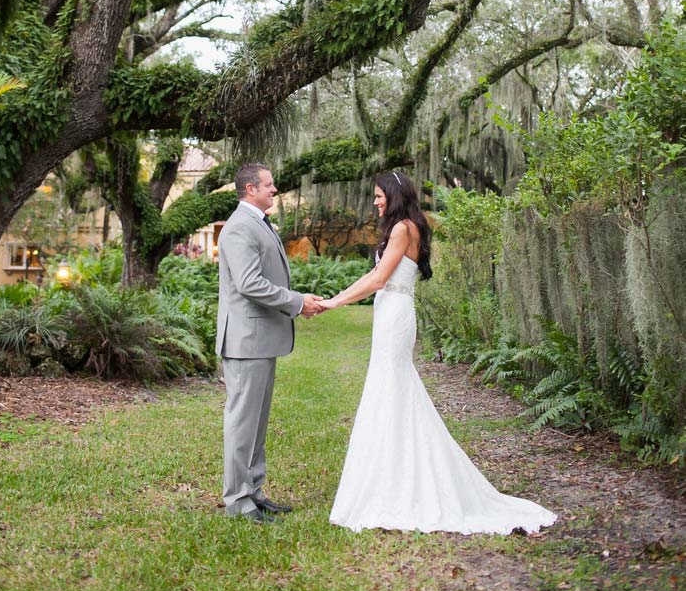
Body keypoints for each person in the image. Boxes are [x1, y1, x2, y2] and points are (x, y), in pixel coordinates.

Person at [322, 171, 557, 534]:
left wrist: (333, 302)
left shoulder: (402, 229)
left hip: (395, 313)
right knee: (393, 390)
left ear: (395, 194)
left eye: (379, 195)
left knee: (391, 387)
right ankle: (393, 471)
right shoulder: (407, 226)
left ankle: (396, 481)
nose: (375, 201)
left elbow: (379, 278)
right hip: (391, 313)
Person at [217, 163, 324, 524]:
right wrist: (296, 302)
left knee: (257, 424)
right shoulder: (238, 228)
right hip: (246, 341)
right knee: (242, 423)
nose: (274, 190)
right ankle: (237, 500)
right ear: (250, 189)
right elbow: (249, 284)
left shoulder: (257, 223)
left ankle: (255, 492)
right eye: (269, 185)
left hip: (260, 340)